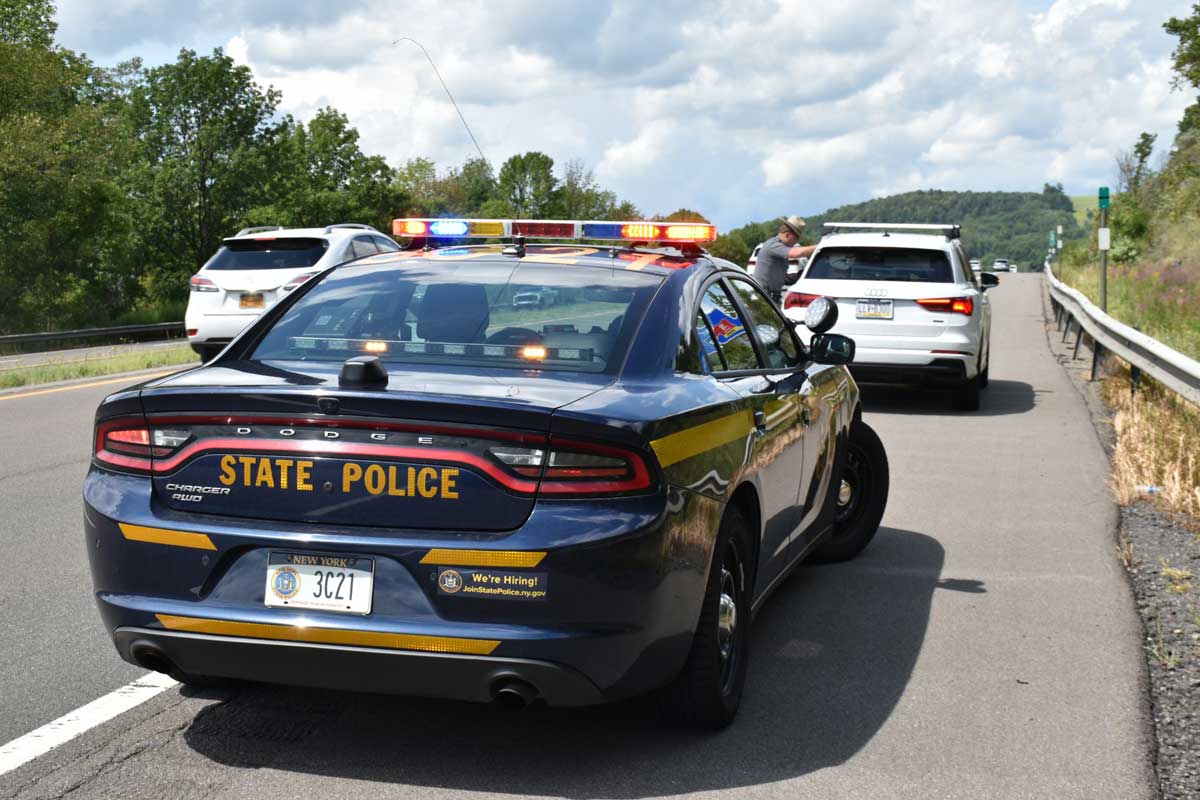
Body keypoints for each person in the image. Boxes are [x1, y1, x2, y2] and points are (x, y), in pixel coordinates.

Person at [755, 215, 817, 303]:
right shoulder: (773, 245)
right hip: (763, 299)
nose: (796, 242)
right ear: (788, 235)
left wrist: (796, 277)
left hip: (771, 298)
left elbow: (779, 276)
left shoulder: (778, 248)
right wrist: (820, 246)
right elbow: (795, 253)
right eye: (796, 239)